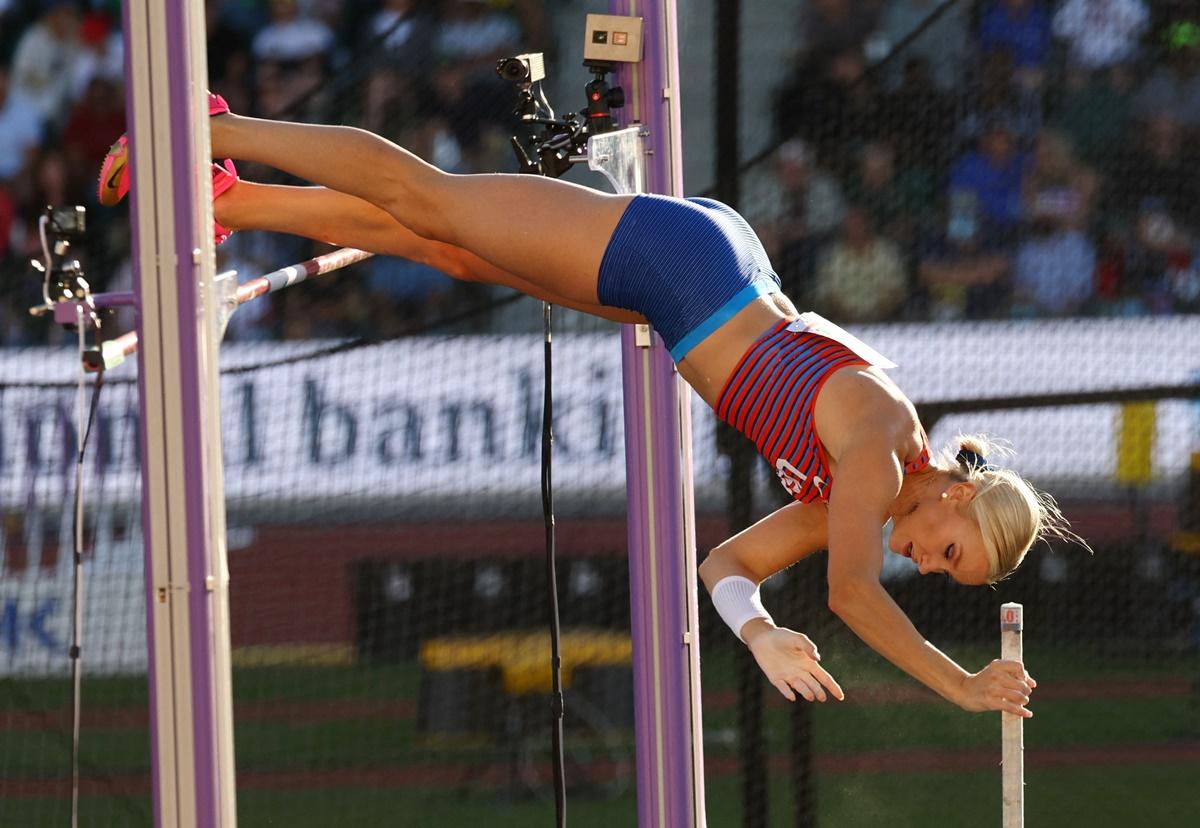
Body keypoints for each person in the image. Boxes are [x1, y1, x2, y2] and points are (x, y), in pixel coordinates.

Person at [97, 93, 1071, 716]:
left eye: (945, 573)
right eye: (949, 550)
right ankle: (201, 126)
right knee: (428, 198)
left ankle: (230, 202)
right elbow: (855, 594)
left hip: (689, 291)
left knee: (443, 245)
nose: (926, 563)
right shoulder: (880, 451)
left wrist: (762, 628)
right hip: (692, 274)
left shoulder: (864, 492)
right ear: (955, 492)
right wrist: (961, 685)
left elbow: (726, 565)